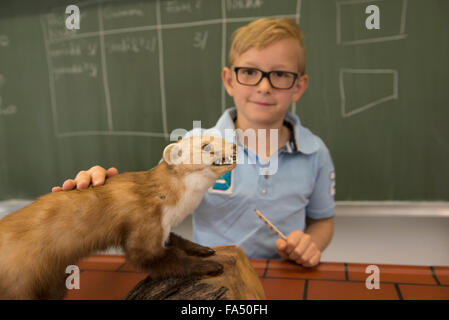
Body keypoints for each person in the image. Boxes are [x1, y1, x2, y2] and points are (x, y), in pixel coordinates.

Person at [52, 18, 335, 267]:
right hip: (215, 275)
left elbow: (322, 220)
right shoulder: (192, 147)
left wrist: (311, 244)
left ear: (298, 86)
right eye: (249, 72)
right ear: (229, 80)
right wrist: (102, 193)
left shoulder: (315, 153)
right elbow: (149, 202)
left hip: (284, 276)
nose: (264, 86)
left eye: (280, 74)